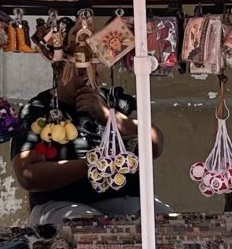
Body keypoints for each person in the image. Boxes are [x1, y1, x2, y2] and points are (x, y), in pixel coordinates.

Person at [10, 61, 163, 229]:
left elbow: (155, 145)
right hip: (61, 204)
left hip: (126, 201)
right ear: (58, 70)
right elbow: (28, 175)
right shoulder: (37, 110)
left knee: (165, 224)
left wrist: (108, 115)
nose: (90, 81)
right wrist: (94, 165)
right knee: (94, 232)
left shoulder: (115, 101)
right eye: (81, 74)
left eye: (95, 74)